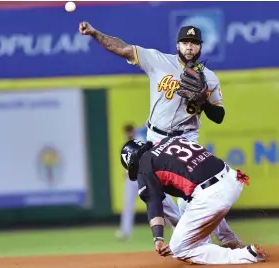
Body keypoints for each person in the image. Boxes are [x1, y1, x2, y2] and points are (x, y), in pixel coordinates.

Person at [79, 22, 242, 247]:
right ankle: (190, 239)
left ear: (200, 48)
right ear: (177, 44)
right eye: (185, 42)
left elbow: (219, 116)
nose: (189, 47)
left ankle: (227, 239)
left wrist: (203, 100)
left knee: (195, 194)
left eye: (194, 43)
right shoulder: (157, 60)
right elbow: (122, 48)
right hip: (154, 138)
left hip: (186, 138)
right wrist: (96, 34)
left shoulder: (210, 78)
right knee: (152, 189)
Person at [119, 137, 267, 264]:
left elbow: (154, 203)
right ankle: (232, 242)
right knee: (192, 204)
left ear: (132, 162)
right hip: (232, 178)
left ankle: (245, 255)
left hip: (212, 194)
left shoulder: (145, 165)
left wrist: (158, 238)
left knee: (178, 249)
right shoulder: (170, 140)